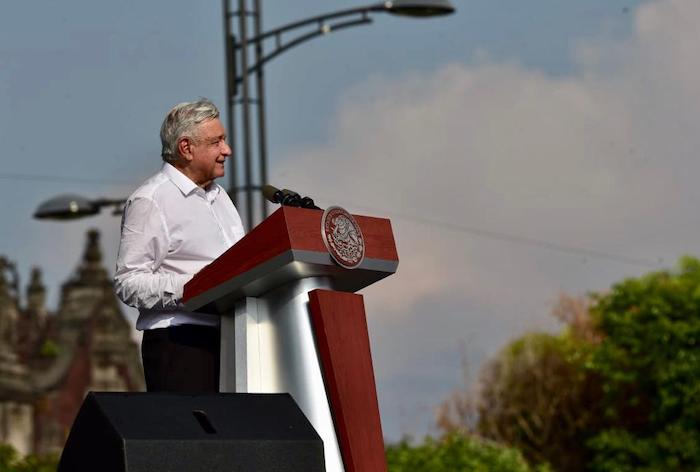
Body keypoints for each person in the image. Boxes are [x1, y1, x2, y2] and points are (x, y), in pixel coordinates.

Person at [115, 99, 245, 392]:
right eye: (217, 142)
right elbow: (128, 281)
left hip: (232, 337)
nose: (227, 150)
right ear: (186, 148)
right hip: (180, 342)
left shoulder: (220, 197)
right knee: (193, 438)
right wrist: (198, 287)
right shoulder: (151, 199)